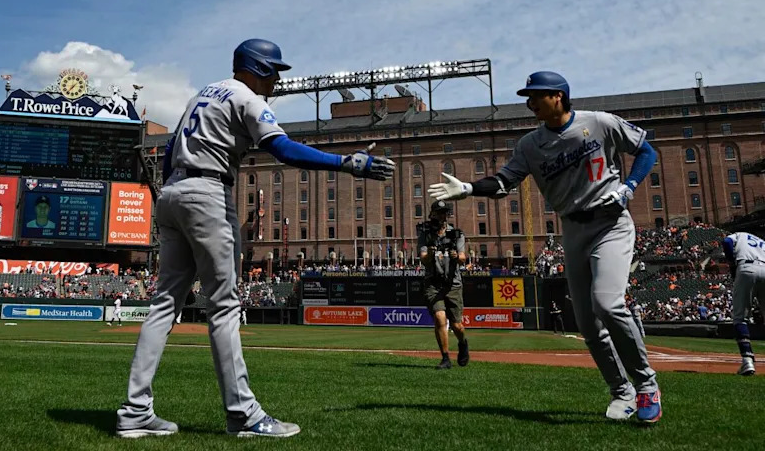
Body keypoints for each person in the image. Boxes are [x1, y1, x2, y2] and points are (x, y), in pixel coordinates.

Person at [116, 39, 395, 439]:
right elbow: (281, 149)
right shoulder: (246, 97)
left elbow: (168, 151)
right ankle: (243, 414)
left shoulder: (203, 93)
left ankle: (135, 411)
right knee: (225, 307)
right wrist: (345, 163)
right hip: (208, 193)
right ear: (259, 68)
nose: (278, 80)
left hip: (173, 192)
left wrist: (173, 192)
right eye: (275, 71)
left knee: (163, 306)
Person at [428, 71, 662, 423]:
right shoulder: (530, 144)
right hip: (572, 228)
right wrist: (468, 188)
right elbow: (505, 180)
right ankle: (621, 391)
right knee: (587, 324)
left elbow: (646, 150)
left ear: (558, 96)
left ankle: (646, 387)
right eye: (528, 96)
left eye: (535, 95)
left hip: (610, 223)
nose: (529, 102)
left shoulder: (599, 122)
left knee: (607, 303)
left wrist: (629, 186)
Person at [418, 201, 468, 369]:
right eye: (439, 212)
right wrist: (430, 253)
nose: (442, 216)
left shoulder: (456, 233)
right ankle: (445, 358)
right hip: (433, 283)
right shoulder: (425, 233)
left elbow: (463, 258)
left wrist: (456, 256)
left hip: (452, 283)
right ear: (432, 214)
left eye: (444, 213)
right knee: (440, 318)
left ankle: (463, 344)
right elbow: (423, 260)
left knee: (457, 326)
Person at [723, 231, 765, 376]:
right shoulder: (761, 241)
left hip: (747, 268)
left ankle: (747, 361)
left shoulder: (739, 235)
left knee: (740, 318)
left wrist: (731, 264)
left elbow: (727, 242)